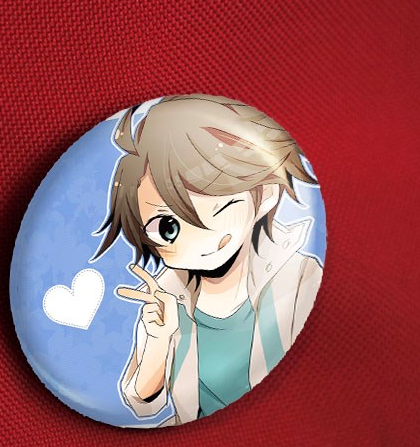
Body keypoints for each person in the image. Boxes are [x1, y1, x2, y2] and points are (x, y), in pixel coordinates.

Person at [94, 94, 323, 424]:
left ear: (265, 197)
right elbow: (143, 406)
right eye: (168, 227)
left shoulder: (298, 277)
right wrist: (157, 340)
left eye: (218, 207)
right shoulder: (167, 298)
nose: (198, 237)